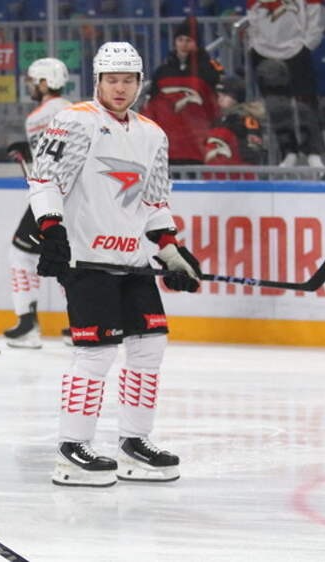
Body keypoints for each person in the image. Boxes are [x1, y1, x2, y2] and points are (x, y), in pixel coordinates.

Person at [28, 42, 200, 487]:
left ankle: (134, 443)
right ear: (98, 82)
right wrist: (52, 230)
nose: (120, 88)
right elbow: (44, 179)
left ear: (140, 83)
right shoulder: (75, 121)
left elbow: (154, 203)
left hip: (133, 261)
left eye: (128, 80)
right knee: (97, 353)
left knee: (150, 346)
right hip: (87, 260)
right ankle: (72, 449)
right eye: (111, 80)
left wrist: (171, 252)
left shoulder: (153, 134)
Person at [3, 57, 74, 349]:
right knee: (68, 257)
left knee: (20, 254)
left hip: (49, 197)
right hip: (76, 197)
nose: (31, 87)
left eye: (34, 81)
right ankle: (82, 323)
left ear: (46, 83)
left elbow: (46, 164)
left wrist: (28, 154)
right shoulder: (74, 109)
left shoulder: (37, 117)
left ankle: (27, 325)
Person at [247, 0, 325, 167]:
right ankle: (288, 151)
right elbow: (252, 15)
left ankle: (313, 152)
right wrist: (253, 43)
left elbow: (317, 12)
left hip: (296, 49)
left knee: (305, 101)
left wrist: (308, 43)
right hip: (263, 50)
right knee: (275, 105)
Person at [141, 16, 223, 165]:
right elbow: (152, 105)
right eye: (180, 40)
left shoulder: (208, 70)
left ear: (196, 43)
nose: (184, 44)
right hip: (170, 142)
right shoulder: (162, 71)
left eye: (188, 40)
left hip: (198, 141)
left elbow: (214, 106)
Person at [204, 77, 267, 166]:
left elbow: (254, 148)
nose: (220, 99)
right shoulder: (217, 120)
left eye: (225, 95)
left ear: (237, 97)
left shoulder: (246, 119)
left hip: (238, 169)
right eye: (219, 95)